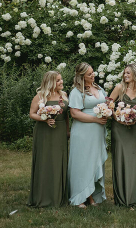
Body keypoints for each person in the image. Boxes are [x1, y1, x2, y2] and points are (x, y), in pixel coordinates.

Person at [68, 63, 108, 208]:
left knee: (94, 162)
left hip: (97, 132)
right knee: (83, 163)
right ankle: (81, 196)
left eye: (93, 72)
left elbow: (106, 102)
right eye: (89, 74)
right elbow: (75, 113)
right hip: (83, 132)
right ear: (81, 76)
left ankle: (93, 195)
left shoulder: (98, 88)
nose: (93, 75)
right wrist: (95, 119)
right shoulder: (77, 92)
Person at [28, 71, 69, 207]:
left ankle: (58, 196)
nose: (61, 82)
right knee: (45, 161)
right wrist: (44, 119)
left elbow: (67, 116)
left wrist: (68, 130)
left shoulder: (64, 96)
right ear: (50, 82)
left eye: (61, 79)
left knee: (59, 162)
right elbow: (32, 114)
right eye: (58, 80)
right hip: (44, 132)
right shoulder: (40, 96)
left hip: (60, 131)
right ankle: (43, 196)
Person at [109, 63, 136, 206]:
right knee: (119, 159)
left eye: (128, 73)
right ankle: (120, 198)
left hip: (131, 129)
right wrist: (117, 117)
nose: (125, 76)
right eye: (124, 73)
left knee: (131, 160)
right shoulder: (120, 88)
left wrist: (134, 119)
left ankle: (131, 197)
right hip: (118, 128)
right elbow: (109, 104)